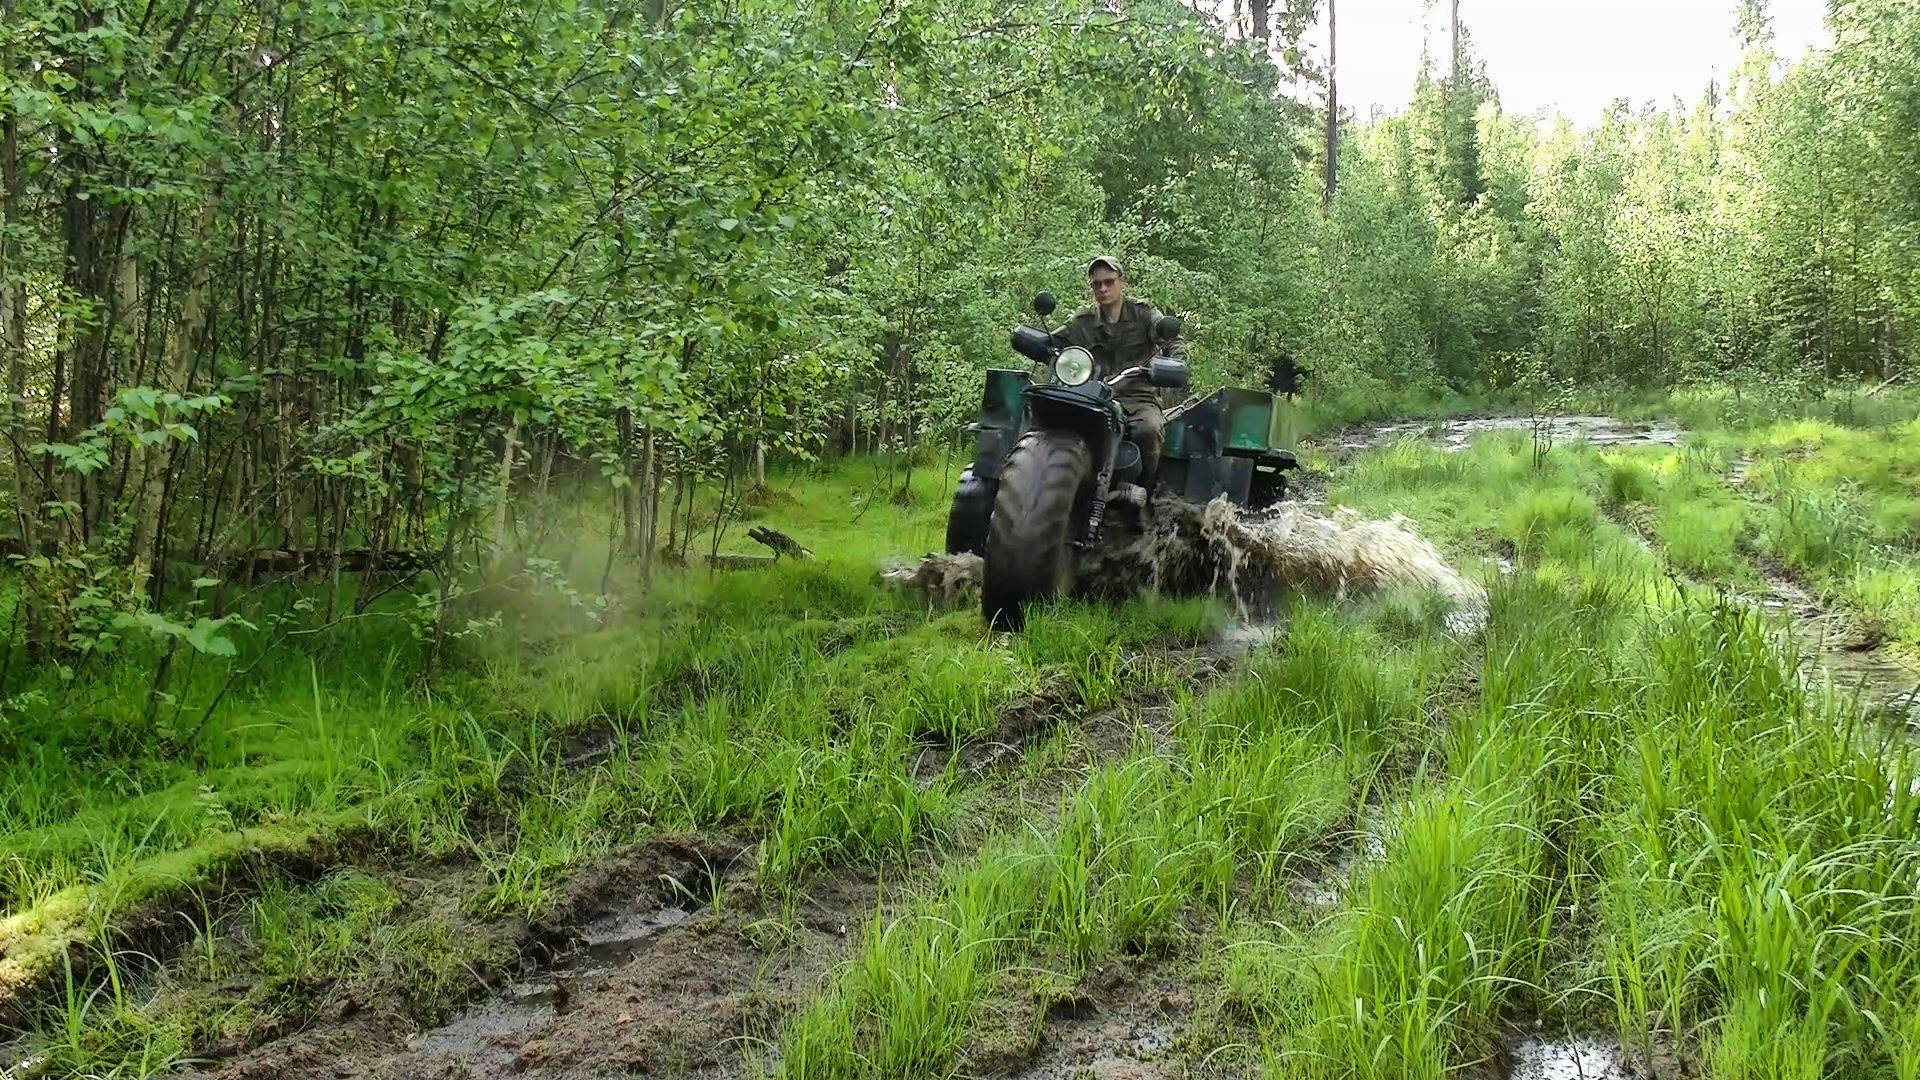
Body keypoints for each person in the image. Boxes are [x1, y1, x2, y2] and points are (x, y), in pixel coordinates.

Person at [1052, 255, 1183, 488]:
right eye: (1096, 284)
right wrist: (1034, 341)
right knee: (1060, 431)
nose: (1103, 288)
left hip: (1137, 398)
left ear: (1122, 282)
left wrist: (1176, 364)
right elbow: (1055, 341)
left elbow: (1171, 340)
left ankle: (1146, 493)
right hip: (1093, 396)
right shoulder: (1084, 320)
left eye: (1109, 281)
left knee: (1149, 430)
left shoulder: (1143, 314)